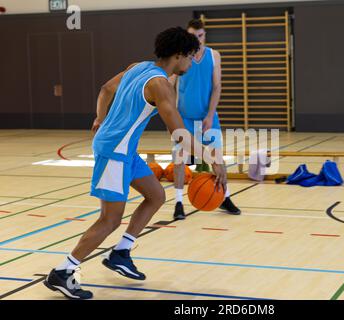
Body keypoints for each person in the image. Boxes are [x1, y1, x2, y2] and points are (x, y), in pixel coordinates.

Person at [43, 27, 227, 300]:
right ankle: (64, 270)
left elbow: (106, 89)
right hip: (114, 151)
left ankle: (121, 253)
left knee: (155, 196)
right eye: (190, 56)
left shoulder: (137, 67)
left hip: (123, 148)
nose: (192, 62)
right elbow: (179, 134)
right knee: (110, 219)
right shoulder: (160, 85)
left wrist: (99, 118)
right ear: (178, 56)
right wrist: (214, 159)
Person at [169, 19, 241, 220]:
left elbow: (217, 86)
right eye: (193, 36)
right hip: (184, 118)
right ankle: (178, 202)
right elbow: (169, 82)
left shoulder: (213, 55)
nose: (197, 39)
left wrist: (210, 115)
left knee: (217, 159)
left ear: (204, 35)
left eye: (200, 35)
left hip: (208, 117)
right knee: (179, 160)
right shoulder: (181, 56)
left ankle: (224, 197)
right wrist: (171, 114)